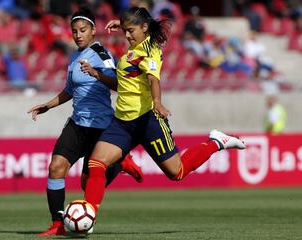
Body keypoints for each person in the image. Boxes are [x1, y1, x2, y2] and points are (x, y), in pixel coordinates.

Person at [82, 7, 246, 229]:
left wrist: (158, 102)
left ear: (144, 28)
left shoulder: (150, 50)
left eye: (131, 31)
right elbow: (121, 85)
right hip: (122, 122)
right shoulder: (131, 49)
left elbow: (153, 80)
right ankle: (88, 217)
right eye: (125, 31)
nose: (128, 35)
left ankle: (217, 142)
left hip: (148, 120)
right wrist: (97, 74)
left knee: (176, 172)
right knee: (95, 163)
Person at [27, 7, 143, 237]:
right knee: (56, 168)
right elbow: (70, 90)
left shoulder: (101, 55)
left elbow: (119, 84)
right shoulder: (74, 57)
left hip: (101, 127)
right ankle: (57, 224)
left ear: (93, 31)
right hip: (78, 124)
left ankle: (119, 164)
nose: (78, 35)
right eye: (74, 31)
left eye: (83, 30)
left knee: (85, 184)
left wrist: (97, 74)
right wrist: (47, 105)